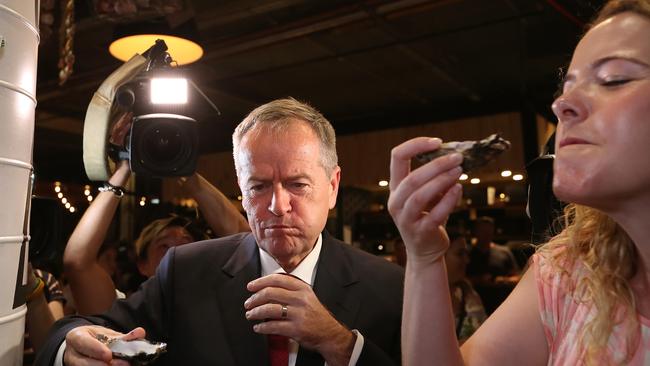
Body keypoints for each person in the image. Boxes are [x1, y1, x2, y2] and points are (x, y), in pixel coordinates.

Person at [36, 98, 404, 365]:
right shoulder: (188, 269)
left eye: (297, 184)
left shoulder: (389, 286)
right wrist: (67, 348)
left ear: (333, 186)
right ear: (241, 192)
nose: (278, 205)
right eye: (259, 187)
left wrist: (340, 344)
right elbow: (86, 328)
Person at [387, 0, 650, 364]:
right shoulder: (572, 271)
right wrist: (425, 256)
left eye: (613, 79)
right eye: (568, 86)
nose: (562, 104)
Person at [63, 158, 250, 316]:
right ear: (142, 265)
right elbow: (77, 261)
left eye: (186, 246)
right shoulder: (129, 313)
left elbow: (245, 239)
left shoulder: (220, 303)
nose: (176, 254)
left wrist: (185, 170)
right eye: (164, 247)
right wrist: (126, 166)